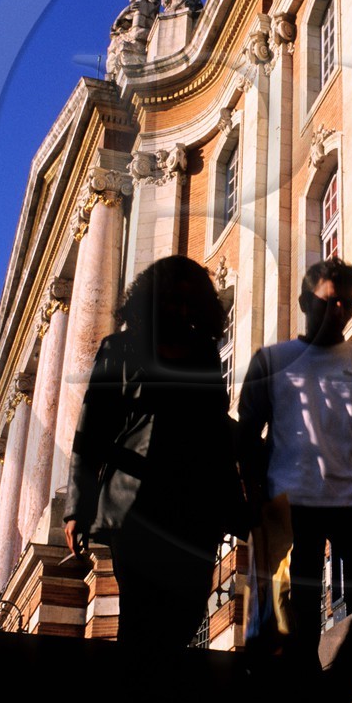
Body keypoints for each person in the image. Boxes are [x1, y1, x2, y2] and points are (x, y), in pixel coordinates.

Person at [237, 257, 352, 703]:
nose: (336, 310)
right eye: (327, 301)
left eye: (344, 304)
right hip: (285, 508)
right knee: (288, 622)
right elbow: (246, 434)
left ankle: (333, 692)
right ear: (303, 301)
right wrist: (254, 493)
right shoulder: (271, 361)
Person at [63, 255, 242, 650]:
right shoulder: (120, 349)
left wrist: (238, 505)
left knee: (190, 610)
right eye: (171, 300)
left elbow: (216, 433)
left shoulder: (205, 358)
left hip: (195, 506)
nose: (179, 309)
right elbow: (90, 432)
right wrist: (78, 506)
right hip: (136, 508)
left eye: (187, 301)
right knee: (143, 614)